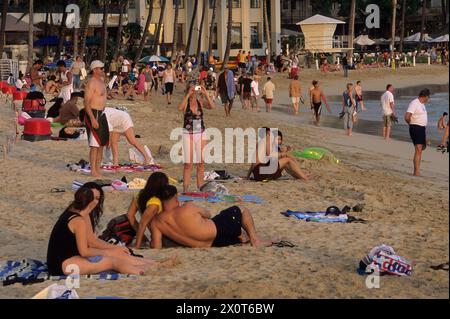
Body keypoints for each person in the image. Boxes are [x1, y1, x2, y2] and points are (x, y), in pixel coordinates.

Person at [46, 186, 176, 276]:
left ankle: (154, 264)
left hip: (68, 258)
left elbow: (91, 242)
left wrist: (112, 250)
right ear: (90, 203)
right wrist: (109, 250)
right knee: (112, 261)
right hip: (62, 265)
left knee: (116, 254)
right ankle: (146, 271)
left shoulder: (73, 212)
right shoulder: (78, 220)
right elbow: (84, 251)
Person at [150, 185, 271, 248]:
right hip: (218, 232)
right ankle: (255, 240)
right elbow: (208, 215)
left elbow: (157, 246)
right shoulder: (187, 207)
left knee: (228, 225)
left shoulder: (156, 222)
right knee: (241, 210)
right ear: (175, 198)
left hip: (212, 244)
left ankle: (242, 237)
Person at [179, 84, 215, 193]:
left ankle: (200, 188)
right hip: (188, 134)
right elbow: (180, 108)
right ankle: (185, 189)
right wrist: (187, 95)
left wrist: (205, 94)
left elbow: (212, 106)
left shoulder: (200, 102)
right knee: (188, 163)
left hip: (200, 133)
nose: (194, 91)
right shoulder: (186, 103)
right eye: (192, 89)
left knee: (201, 162)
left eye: (195, 89)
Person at [126, 172, 169, 249]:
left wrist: (143, 238)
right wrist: (137, 245)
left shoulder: (139, 195)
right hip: (164, 237)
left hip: (155, 235)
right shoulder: (155, 202)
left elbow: (130, 215)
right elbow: (143, 223)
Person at [83, 60, 109, 177]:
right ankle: (93, 170)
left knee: (101, 143)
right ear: (95, 70)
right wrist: (92, 119)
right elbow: (86, 103)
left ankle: (97, 169)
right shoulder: (91, 83)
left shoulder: (101, 82)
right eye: (101, 68)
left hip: (102, 113)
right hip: (93, 113)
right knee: (94, 145)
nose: (103, 70)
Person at [405, 89, 431, 177]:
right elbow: (407, 116)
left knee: (420, 149)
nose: (428, 99)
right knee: (418, 149)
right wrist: (412, 124)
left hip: (421, 128)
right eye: (428, 97)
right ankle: (416, 172)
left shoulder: (422, 104)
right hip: (416, 128)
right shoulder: (414, 103)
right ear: (426, 96)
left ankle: (417, 170)